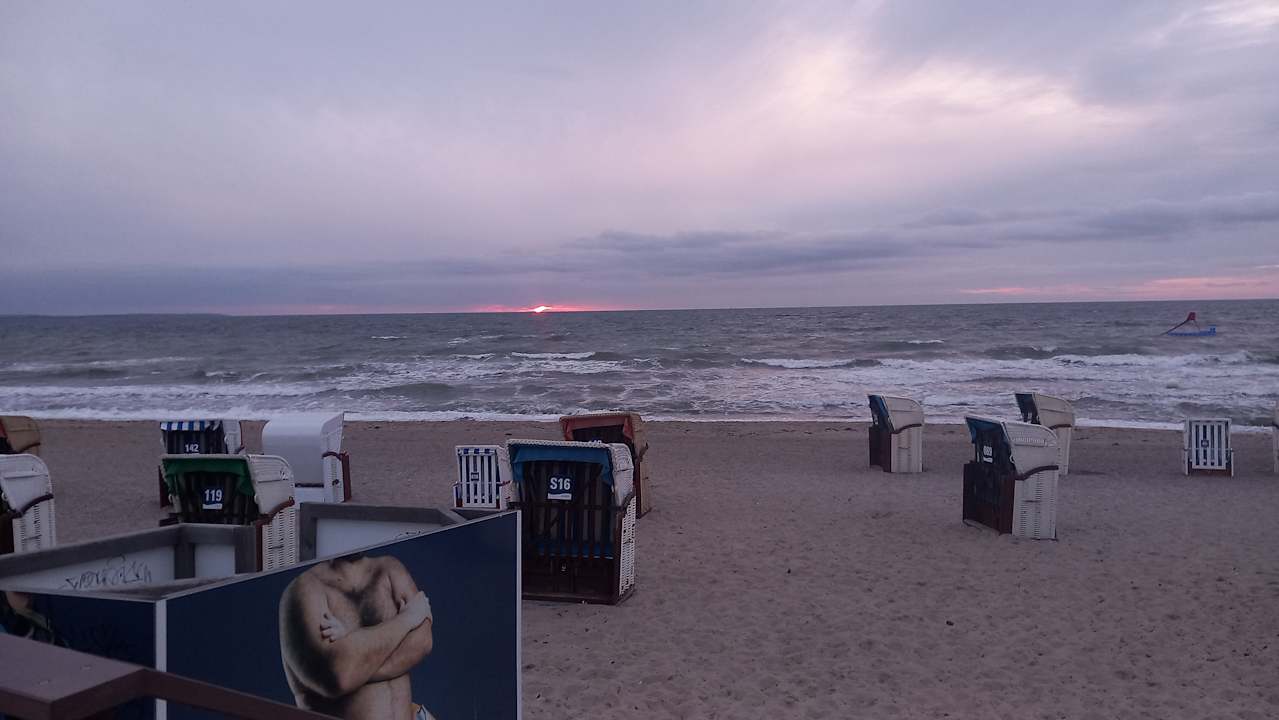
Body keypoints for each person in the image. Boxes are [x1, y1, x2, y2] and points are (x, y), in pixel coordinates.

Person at [278, 553, 435, 720]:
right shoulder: (303, 590)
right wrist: (407, 619)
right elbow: (339, 677)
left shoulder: (390, 569)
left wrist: (356, 657)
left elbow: (422, 642)